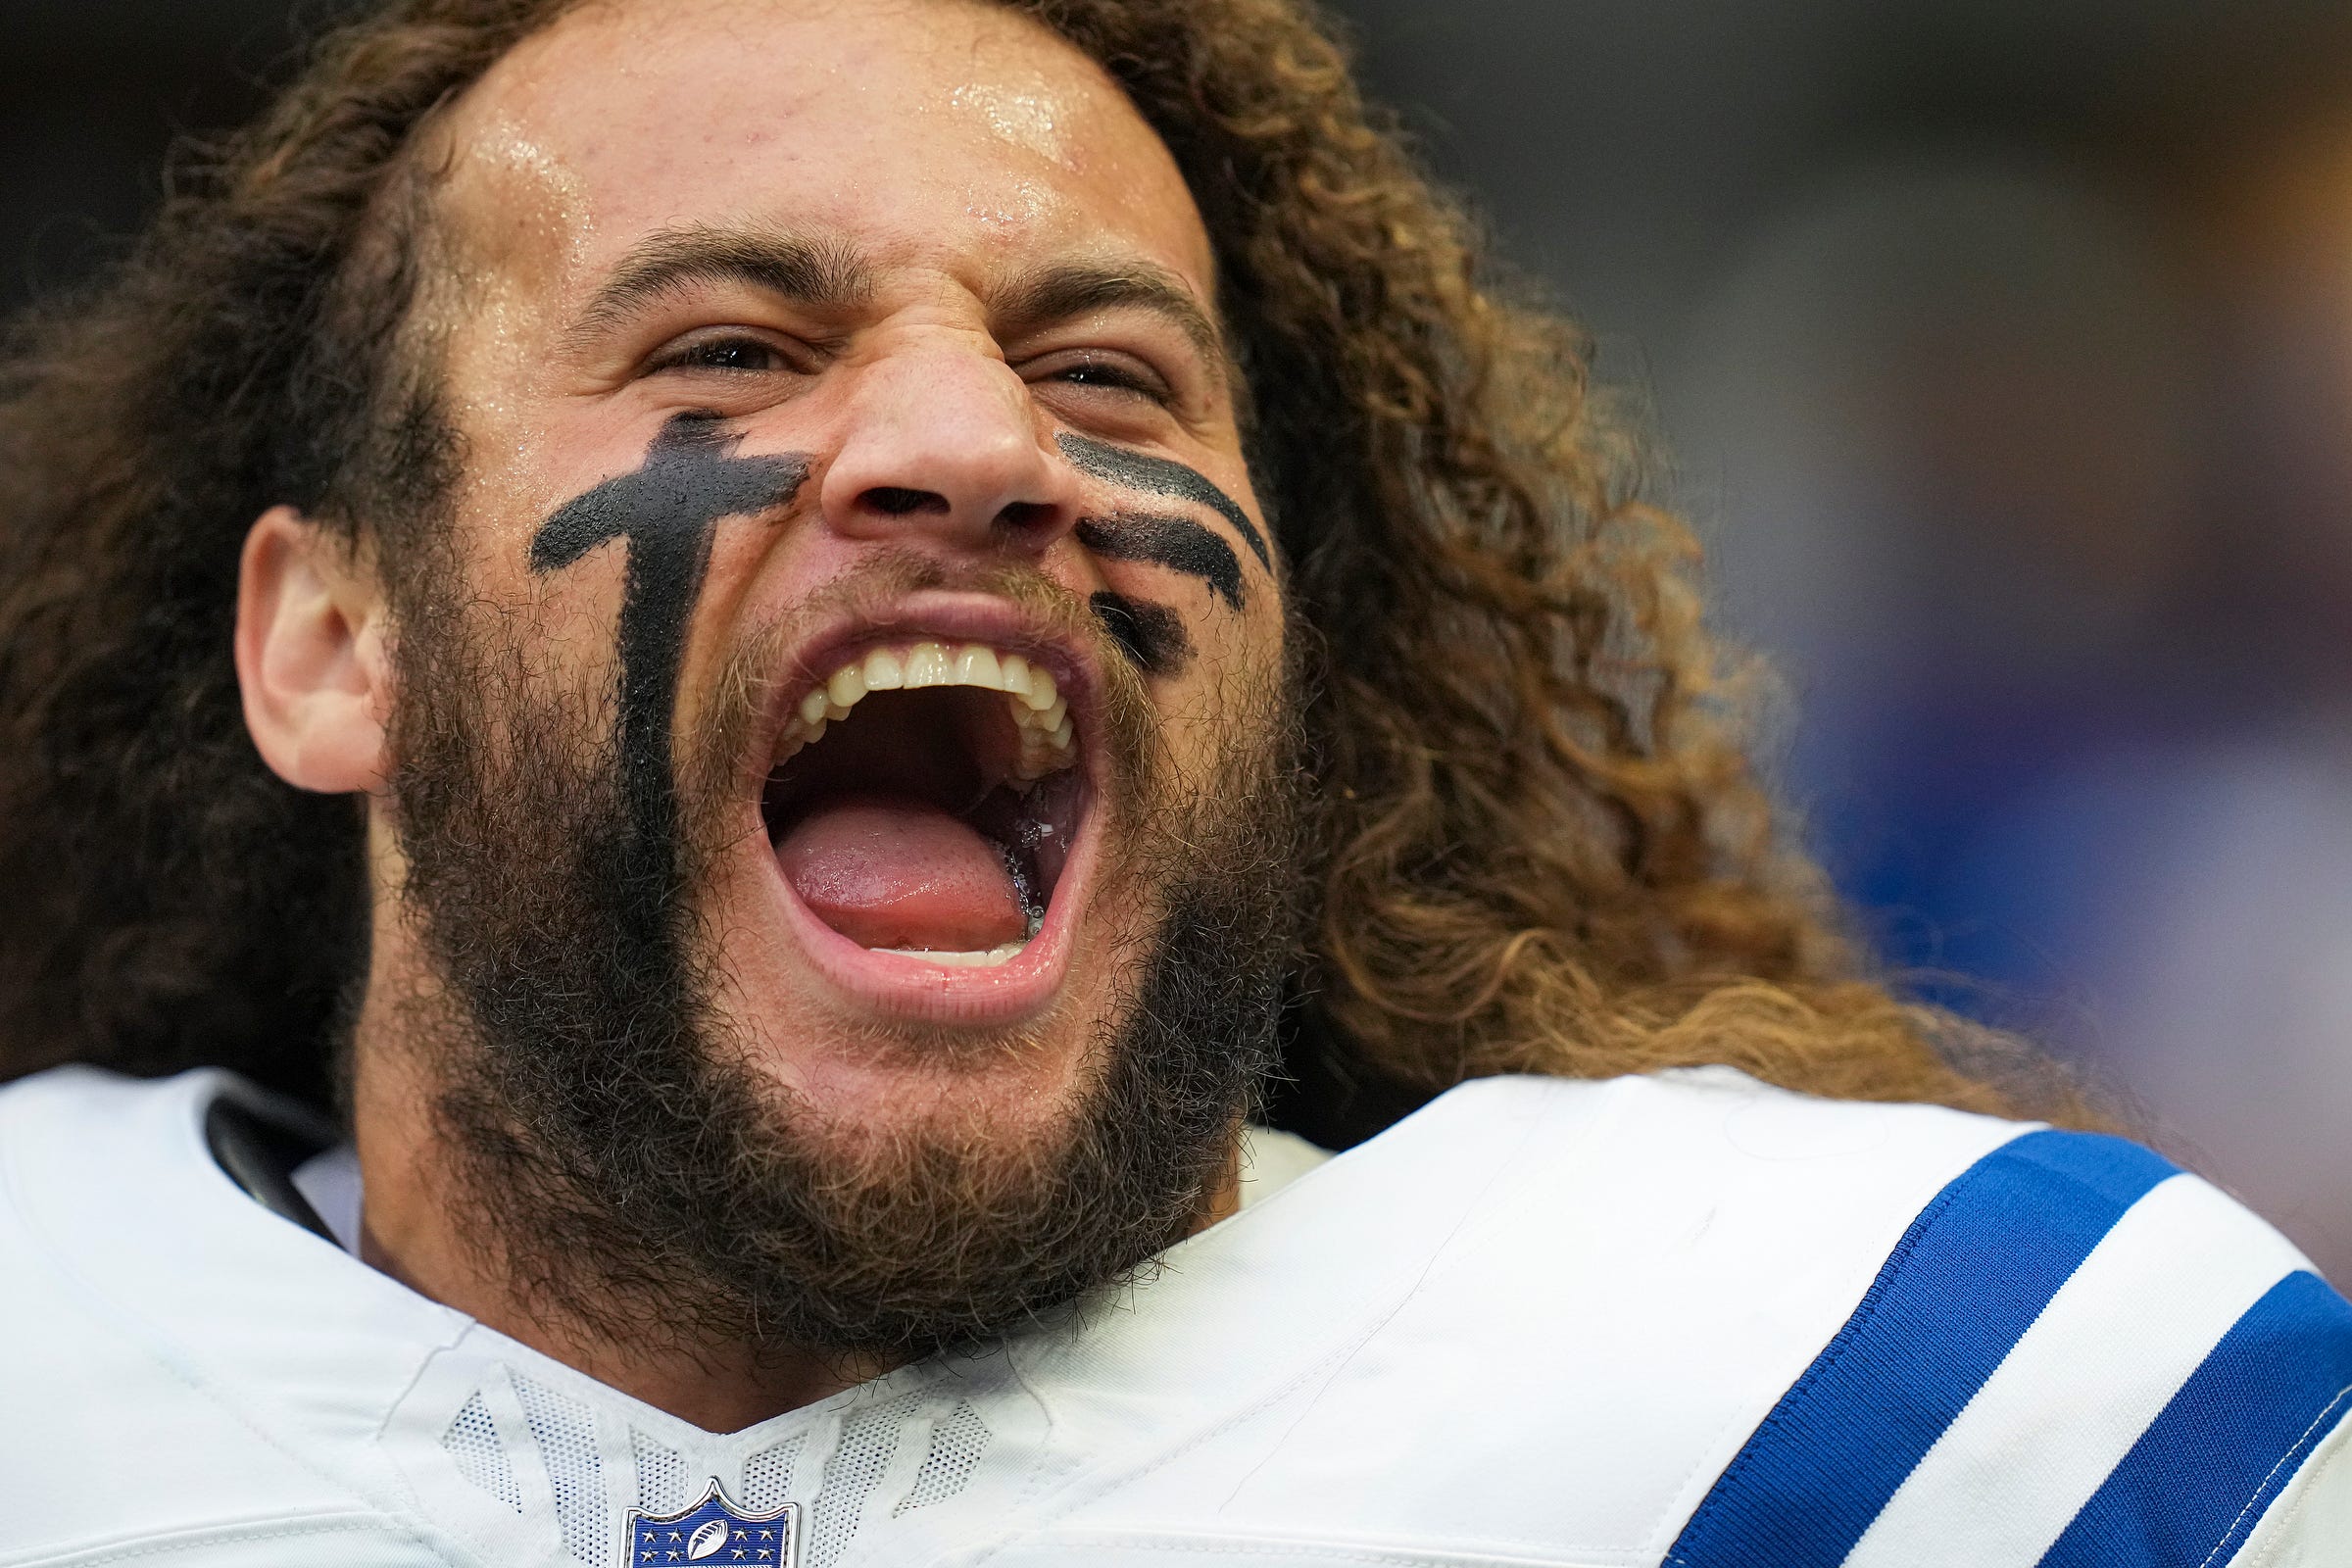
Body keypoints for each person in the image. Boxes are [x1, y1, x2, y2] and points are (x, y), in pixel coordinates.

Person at [0, 0, 2342, 1563]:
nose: (979, 443)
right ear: (332, 641)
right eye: (731, 345)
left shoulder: (1946, 1415)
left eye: (1109, 374)